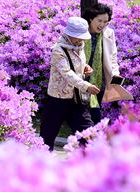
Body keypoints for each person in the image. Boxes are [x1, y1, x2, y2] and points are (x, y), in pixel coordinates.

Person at [40, 17, 101, 151]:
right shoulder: (58, 50)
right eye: (77, 37)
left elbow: (75, 63)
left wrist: (84, 67)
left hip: (76, 98)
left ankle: (91, 161)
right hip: (58, 99)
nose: (80, 40)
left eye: (81, 38)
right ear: (68, 34)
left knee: (88, 133)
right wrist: (86, 86)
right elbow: (67, 73)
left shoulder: (79, 46)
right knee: (46, 137)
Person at [82, 3, 121, 123]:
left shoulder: (109, 33)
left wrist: (115, 74)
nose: (102, 25)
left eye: (106, 22)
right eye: (99, 21)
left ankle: (91, 135)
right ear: (90, 18)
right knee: (85, 114)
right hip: (80, 78)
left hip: (98, 81)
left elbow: (112, 56)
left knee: (94, 112)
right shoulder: (81, 31)